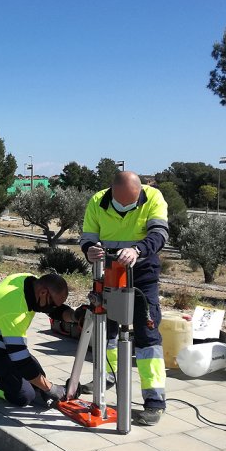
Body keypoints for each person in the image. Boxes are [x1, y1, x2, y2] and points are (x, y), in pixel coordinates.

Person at [79, 171, 169, 425]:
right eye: (123, 204)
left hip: (143, 276)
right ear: (112, 194)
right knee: (104, 330)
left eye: (132, 203)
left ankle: (154, 400)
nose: (127, 207)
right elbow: (87, 237)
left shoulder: (153, 197)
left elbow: (159, 234)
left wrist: (137, 249)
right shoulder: (98, 201)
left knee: (147, 335)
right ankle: (107, 377)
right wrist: (90, 250)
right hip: (107, 273)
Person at [0, 273, 80, 407]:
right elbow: (22, 361)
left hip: (0, 344)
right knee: (23, 395)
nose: (53, 309)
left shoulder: (29, 282)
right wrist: (51, 388)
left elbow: (56, 311)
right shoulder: (14, 311)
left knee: (38, 379)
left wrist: (75, 316)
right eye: (53, 305)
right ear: (43, 293)